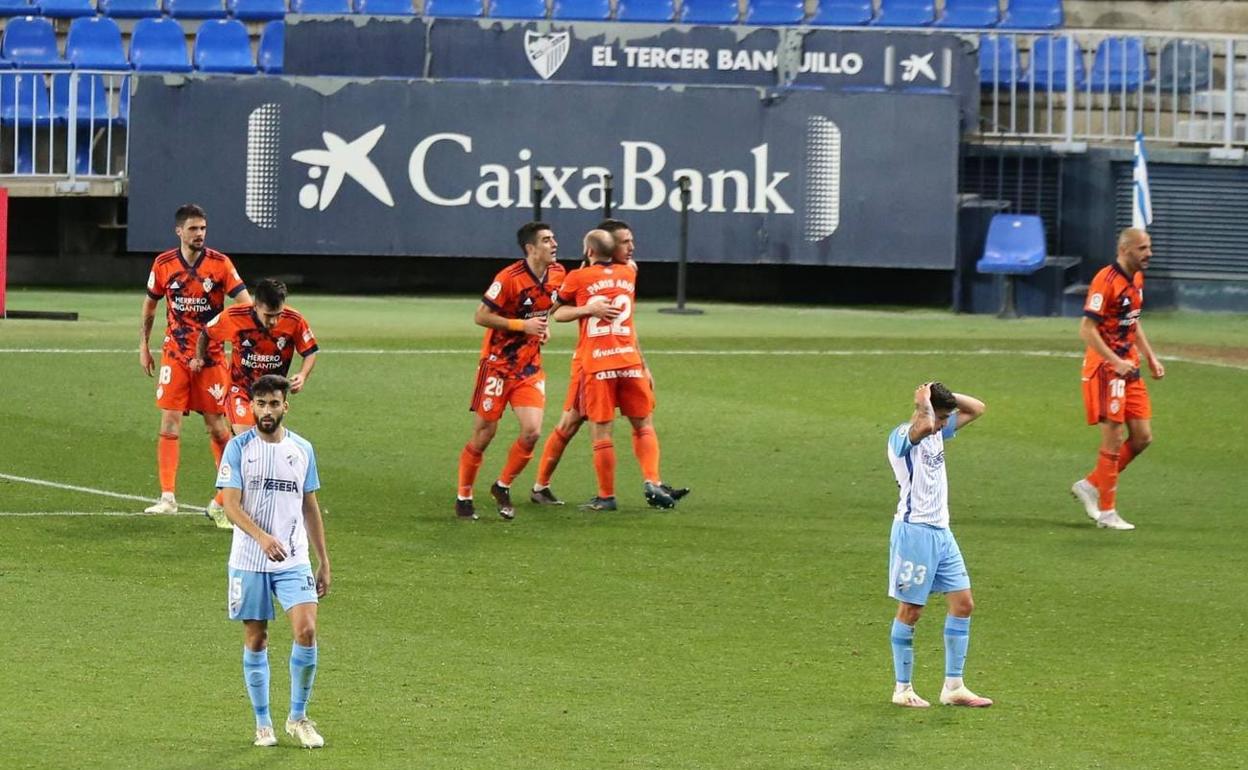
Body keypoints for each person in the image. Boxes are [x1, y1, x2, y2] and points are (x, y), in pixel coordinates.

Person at [529, 219, 687, 507]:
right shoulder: (629, 273)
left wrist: (644, 362)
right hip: (598, 363)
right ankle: (650, 482)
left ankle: (602, 493)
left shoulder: (582, 276)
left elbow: (557, 310)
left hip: (599, 363)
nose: (631, 247)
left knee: (584, 426)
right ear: (610, 246)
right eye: (625, 242)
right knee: (573, 423)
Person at [216, 374, 331, 749]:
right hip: (250, 559)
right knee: (257, 637)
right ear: (252, 406)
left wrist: (323, 559)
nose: (267, 411)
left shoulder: (302, 450)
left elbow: (309, 505)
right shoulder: (238, 448)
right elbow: (230, 505)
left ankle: (298, 717)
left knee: (307, 631)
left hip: (293, 559)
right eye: (261, 404)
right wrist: (262, 538)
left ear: (286, 406)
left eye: (274, 404)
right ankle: (263, 722)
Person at [139, 203, 250, 525]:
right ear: (179, 231)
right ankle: (167, 498)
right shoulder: (163, 264)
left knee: (217, 427)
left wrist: (221, 332)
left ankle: (227, 499)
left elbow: (244, 305)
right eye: (193, 229)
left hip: (211, 356)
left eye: (203, 228)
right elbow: (149, 307)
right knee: (169, 421)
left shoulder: (220, 264)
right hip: (175, 353)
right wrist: (144, 346)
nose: (199, 234)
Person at [886, 381, 991, 709]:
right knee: (911, 610)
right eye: (943, 416)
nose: (946, 423)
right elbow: (927, 424)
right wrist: (925, 404)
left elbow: (977, 408)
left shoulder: (937, 432)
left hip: (942, 533)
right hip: (914, 532)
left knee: (964, 604)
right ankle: (902, 689)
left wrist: (938, 393)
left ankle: (953, 687)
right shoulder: (903, 436)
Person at [455, 222, 568, 521]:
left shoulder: (558, 274)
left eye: (553, 238)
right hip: (497, 366)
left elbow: (548, 306)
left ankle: (502, 485)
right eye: (546, 240)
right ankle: (463, 495)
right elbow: (481, 316)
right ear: (531, 249)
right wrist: (522, 326)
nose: (554, 243)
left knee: (532, 432)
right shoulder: (509, 278)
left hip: (528, 367)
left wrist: (542, 328)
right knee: (484, 434)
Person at [1070, 228, 1165, 531]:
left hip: (1130, 368)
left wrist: (1149, 356)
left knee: (1142, 437)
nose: (1148, 253)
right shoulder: (1105, 281)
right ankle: (1107, 514)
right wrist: (1115, 361)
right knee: (1114, 438)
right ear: (1125, 250)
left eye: (1149, 247)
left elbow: (1132, 322)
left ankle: (1091, 485)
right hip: (1106, 371)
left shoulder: (1136, 278)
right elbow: (1087, 329)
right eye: (1142, 248)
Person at [193, 277, 319, 444]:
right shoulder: (234, 316)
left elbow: (310, 352)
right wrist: (199, 358)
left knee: (268, 442)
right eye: (268, 315)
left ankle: (233, 461)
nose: (273, 321)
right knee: (248, 439)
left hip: (274, 395)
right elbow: (206, 333)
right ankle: (232, 462)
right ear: (256, 306)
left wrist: (303, 375)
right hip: (241, 390)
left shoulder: (294, 320)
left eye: (278, 315)